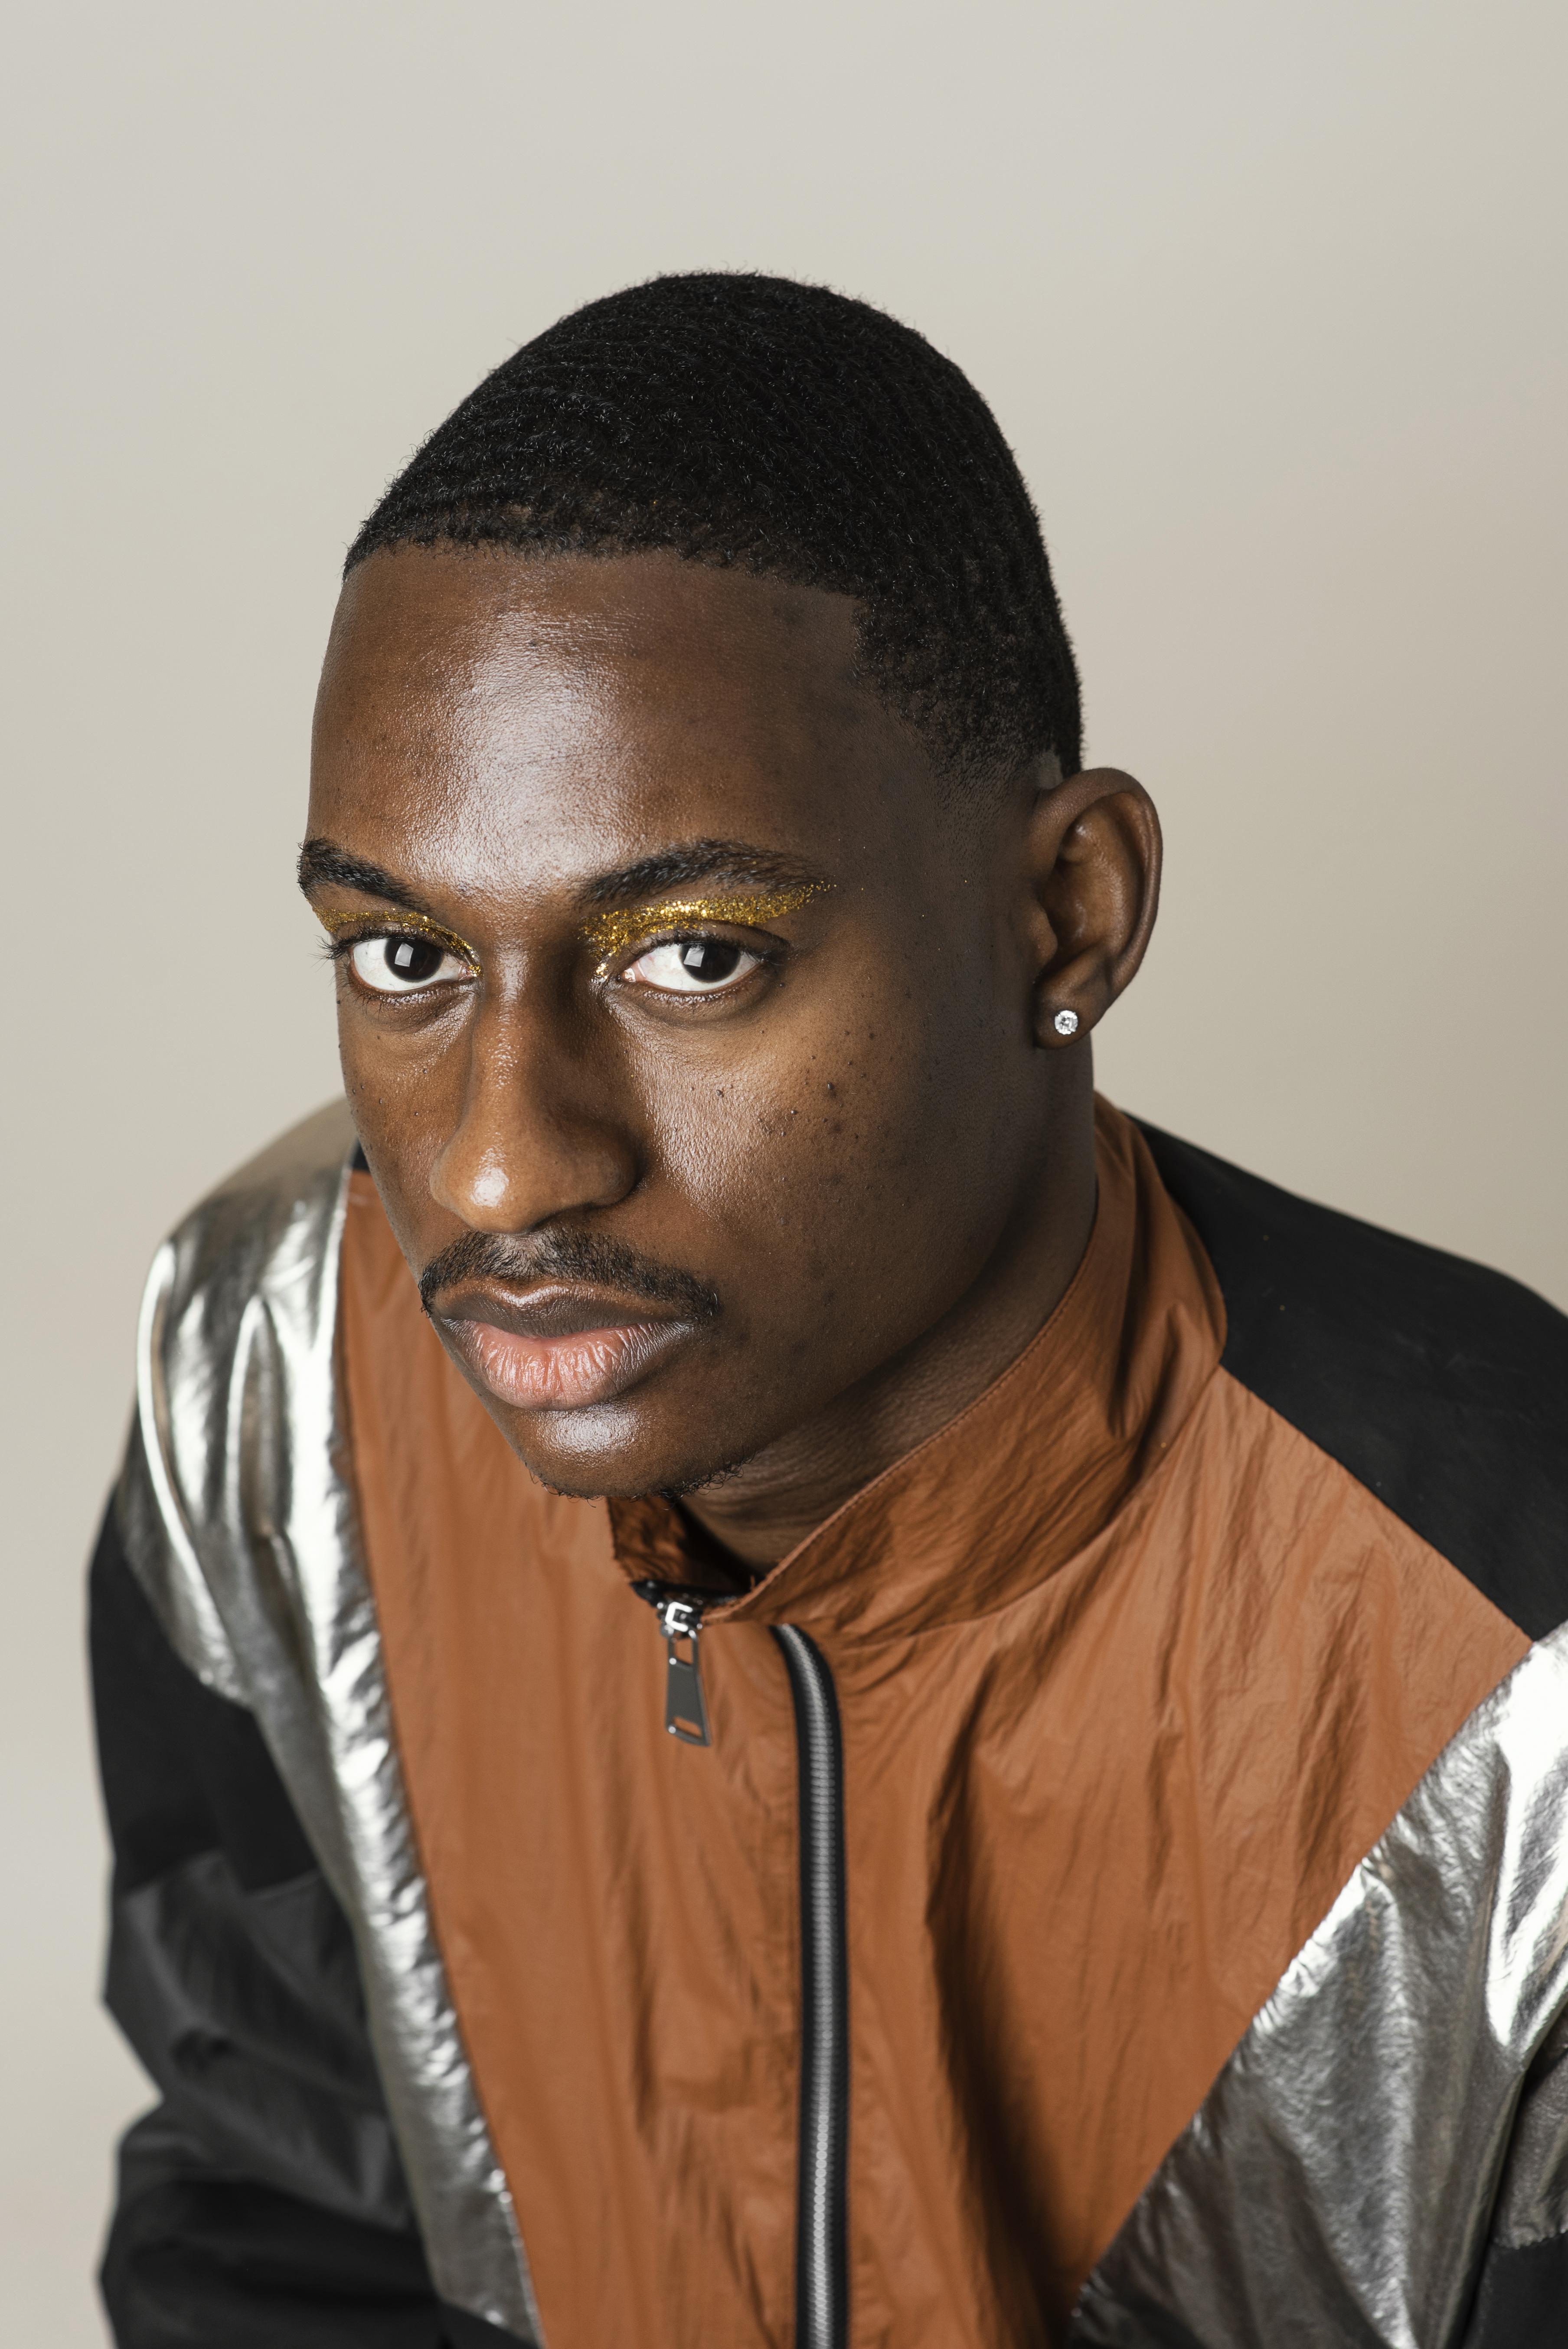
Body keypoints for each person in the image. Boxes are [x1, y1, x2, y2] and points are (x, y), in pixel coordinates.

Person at [92, 272, 1568, 2349]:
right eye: (404, 955)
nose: (500, 1170)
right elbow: (275, 2225)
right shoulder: (274, 1372)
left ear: (1066, 912)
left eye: (694, 954)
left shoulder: (1516, 1683)